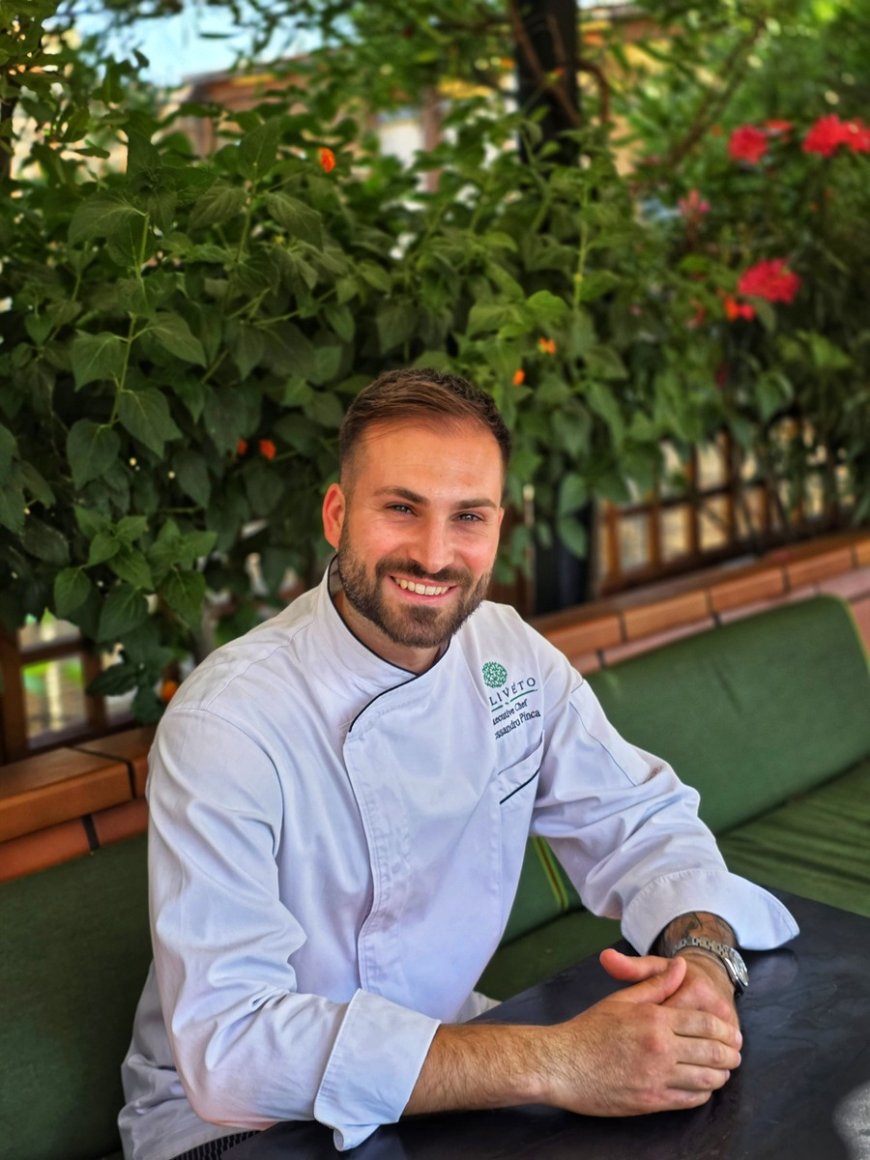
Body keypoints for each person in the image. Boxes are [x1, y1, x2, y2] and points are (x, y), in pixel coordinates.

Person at [120, 368, 798, 1160]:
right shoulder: (227, 720)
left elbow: (641, 824)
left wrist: (704, 966)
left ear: (498, 528)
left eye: (467, 516)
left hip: (444, 1057)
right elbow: (232, 1050)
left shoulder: (508, 654)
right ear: (338, 515)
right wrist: (560, 1060)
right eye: (401, 508)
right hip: (243, 1125)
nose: (435, 554)